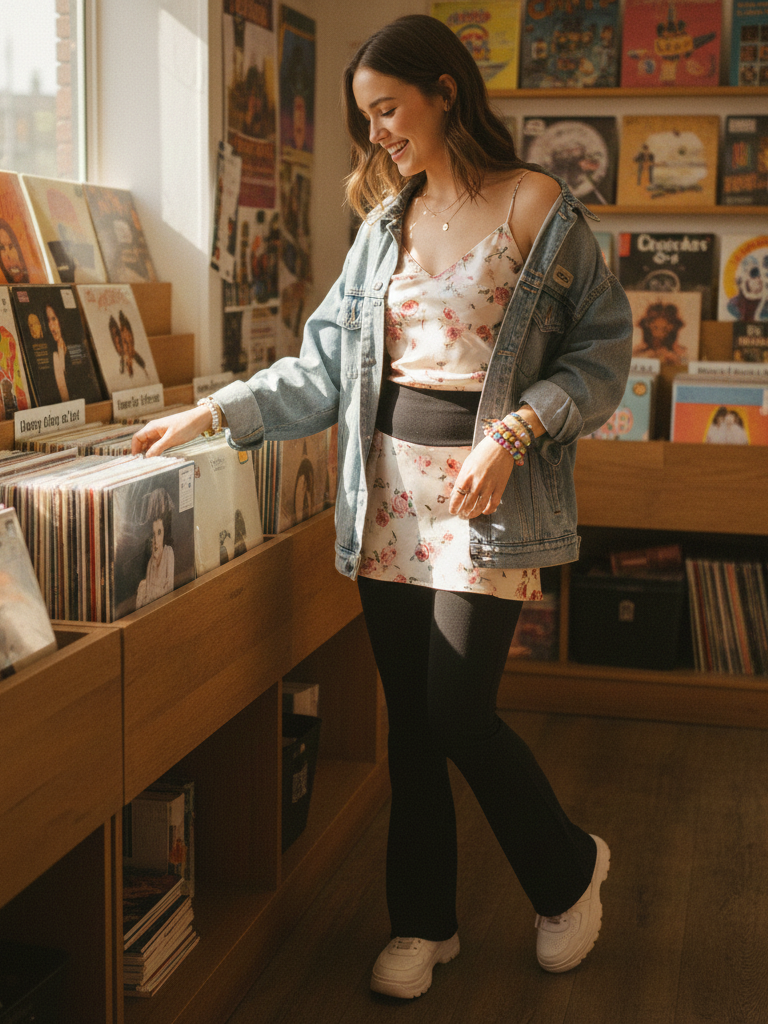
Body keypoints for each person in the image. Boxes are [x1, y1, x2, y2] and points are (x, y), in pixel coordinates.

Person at [131, 13, 632, 998]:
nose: (377, 136)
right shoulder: (381, 228)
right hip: (387, 499)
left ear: (446, 91)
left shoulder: (536, 207)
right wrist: (214, 410)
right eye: (365, 118)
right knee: (411, 719)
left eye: (388, 110)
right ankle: (424, 921)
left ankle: (569, 871)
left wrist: (515, 431)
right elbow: (324, 371)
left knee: (458, 709)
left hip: (488, 500)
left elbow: (601, 356)